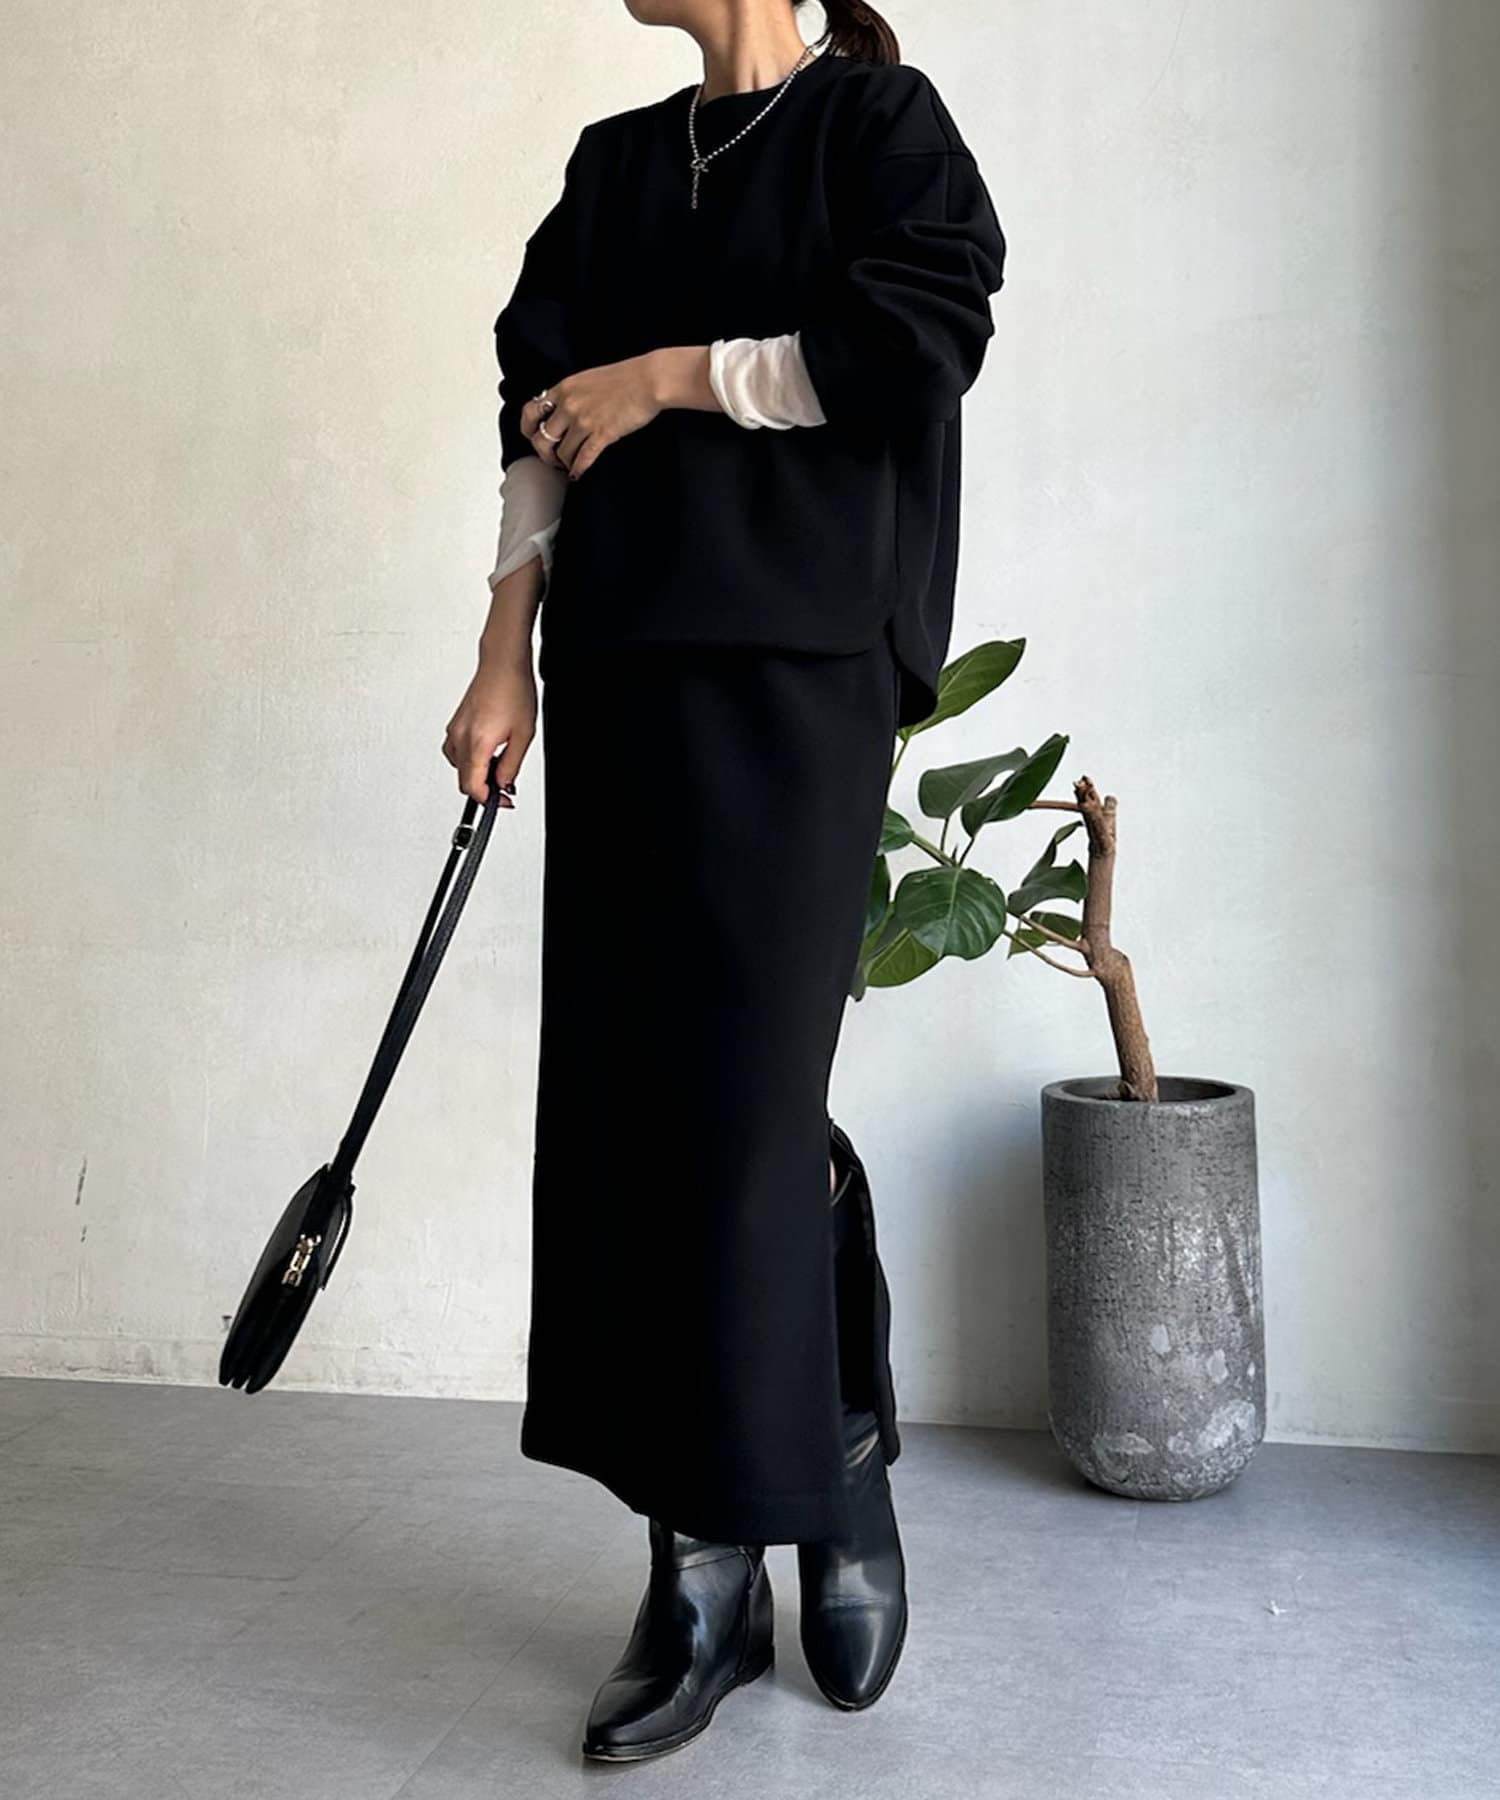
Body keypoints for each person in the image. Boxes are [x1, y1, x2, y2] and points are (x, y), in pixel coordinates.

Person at [442, 0, 1005, 1763]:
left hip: (801, 668)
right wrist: (503, 655)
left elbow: (911, 343)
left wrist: (669, 375)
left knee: (749, 1102)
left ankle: (825, 1466)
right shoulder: (616, 167)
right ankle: (700, 1570)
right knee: (643, 1108)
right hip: (621, 668)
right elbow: (539, 423)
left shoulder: (879, 129)